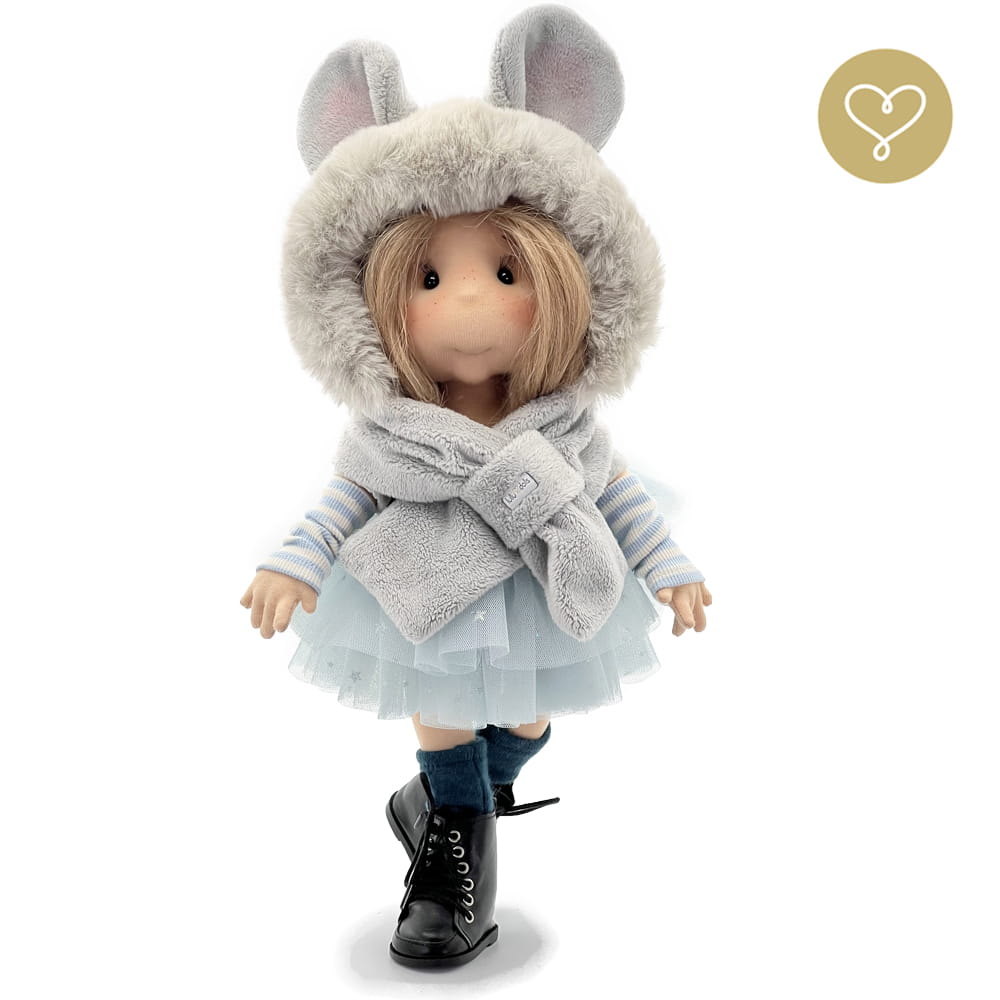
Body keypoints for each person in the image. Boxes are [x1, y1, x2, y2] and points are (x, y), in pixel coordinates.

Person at [240, 5, 712, 970]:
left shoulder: (563, 425)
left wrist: (668, 566)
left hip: (537, 588)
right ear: (374, 300)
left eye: (503, 270)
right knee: (444, 709)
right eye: (427, 277)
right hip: (424, 593)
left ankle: (443, 797)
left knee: (529, 721)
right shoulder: (393, 432)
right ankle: (455, 850)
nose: (466, 300)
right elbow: (348, 498)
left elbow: (614, 493)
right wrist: (295, 561)